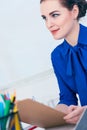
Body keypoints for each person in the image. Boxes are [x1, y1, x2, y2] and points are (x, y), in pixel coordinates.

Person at [40, 0, 87, 124]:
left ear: (74, 12)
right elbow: (67, 97)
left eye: (55, 15)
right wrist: (54, 116)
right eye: (45, 18)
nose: (49, 24)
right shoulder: (57, 56)